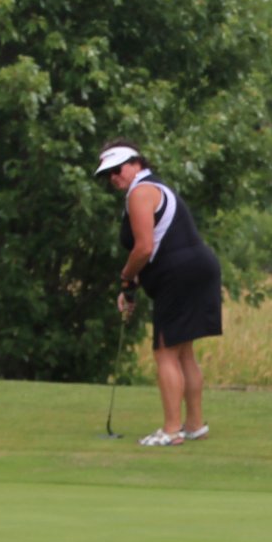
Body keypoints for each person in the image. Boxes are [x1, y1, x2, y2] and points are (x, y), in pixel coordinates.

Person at [96, 140, 223, 447]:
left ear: (136, 163)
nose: (114, 177)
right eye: (108, 174)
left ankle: (171, 430)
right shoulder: (154, 187)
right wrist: (131, 287)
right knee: (183, 351)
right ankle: (194, 425)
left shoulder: (140, 192)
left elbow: (143, 248)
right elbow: (160, 247)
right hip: (197, 268)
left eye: (118, 169)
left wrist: (125, 277)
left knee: (165, 352)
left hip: (179, 275)